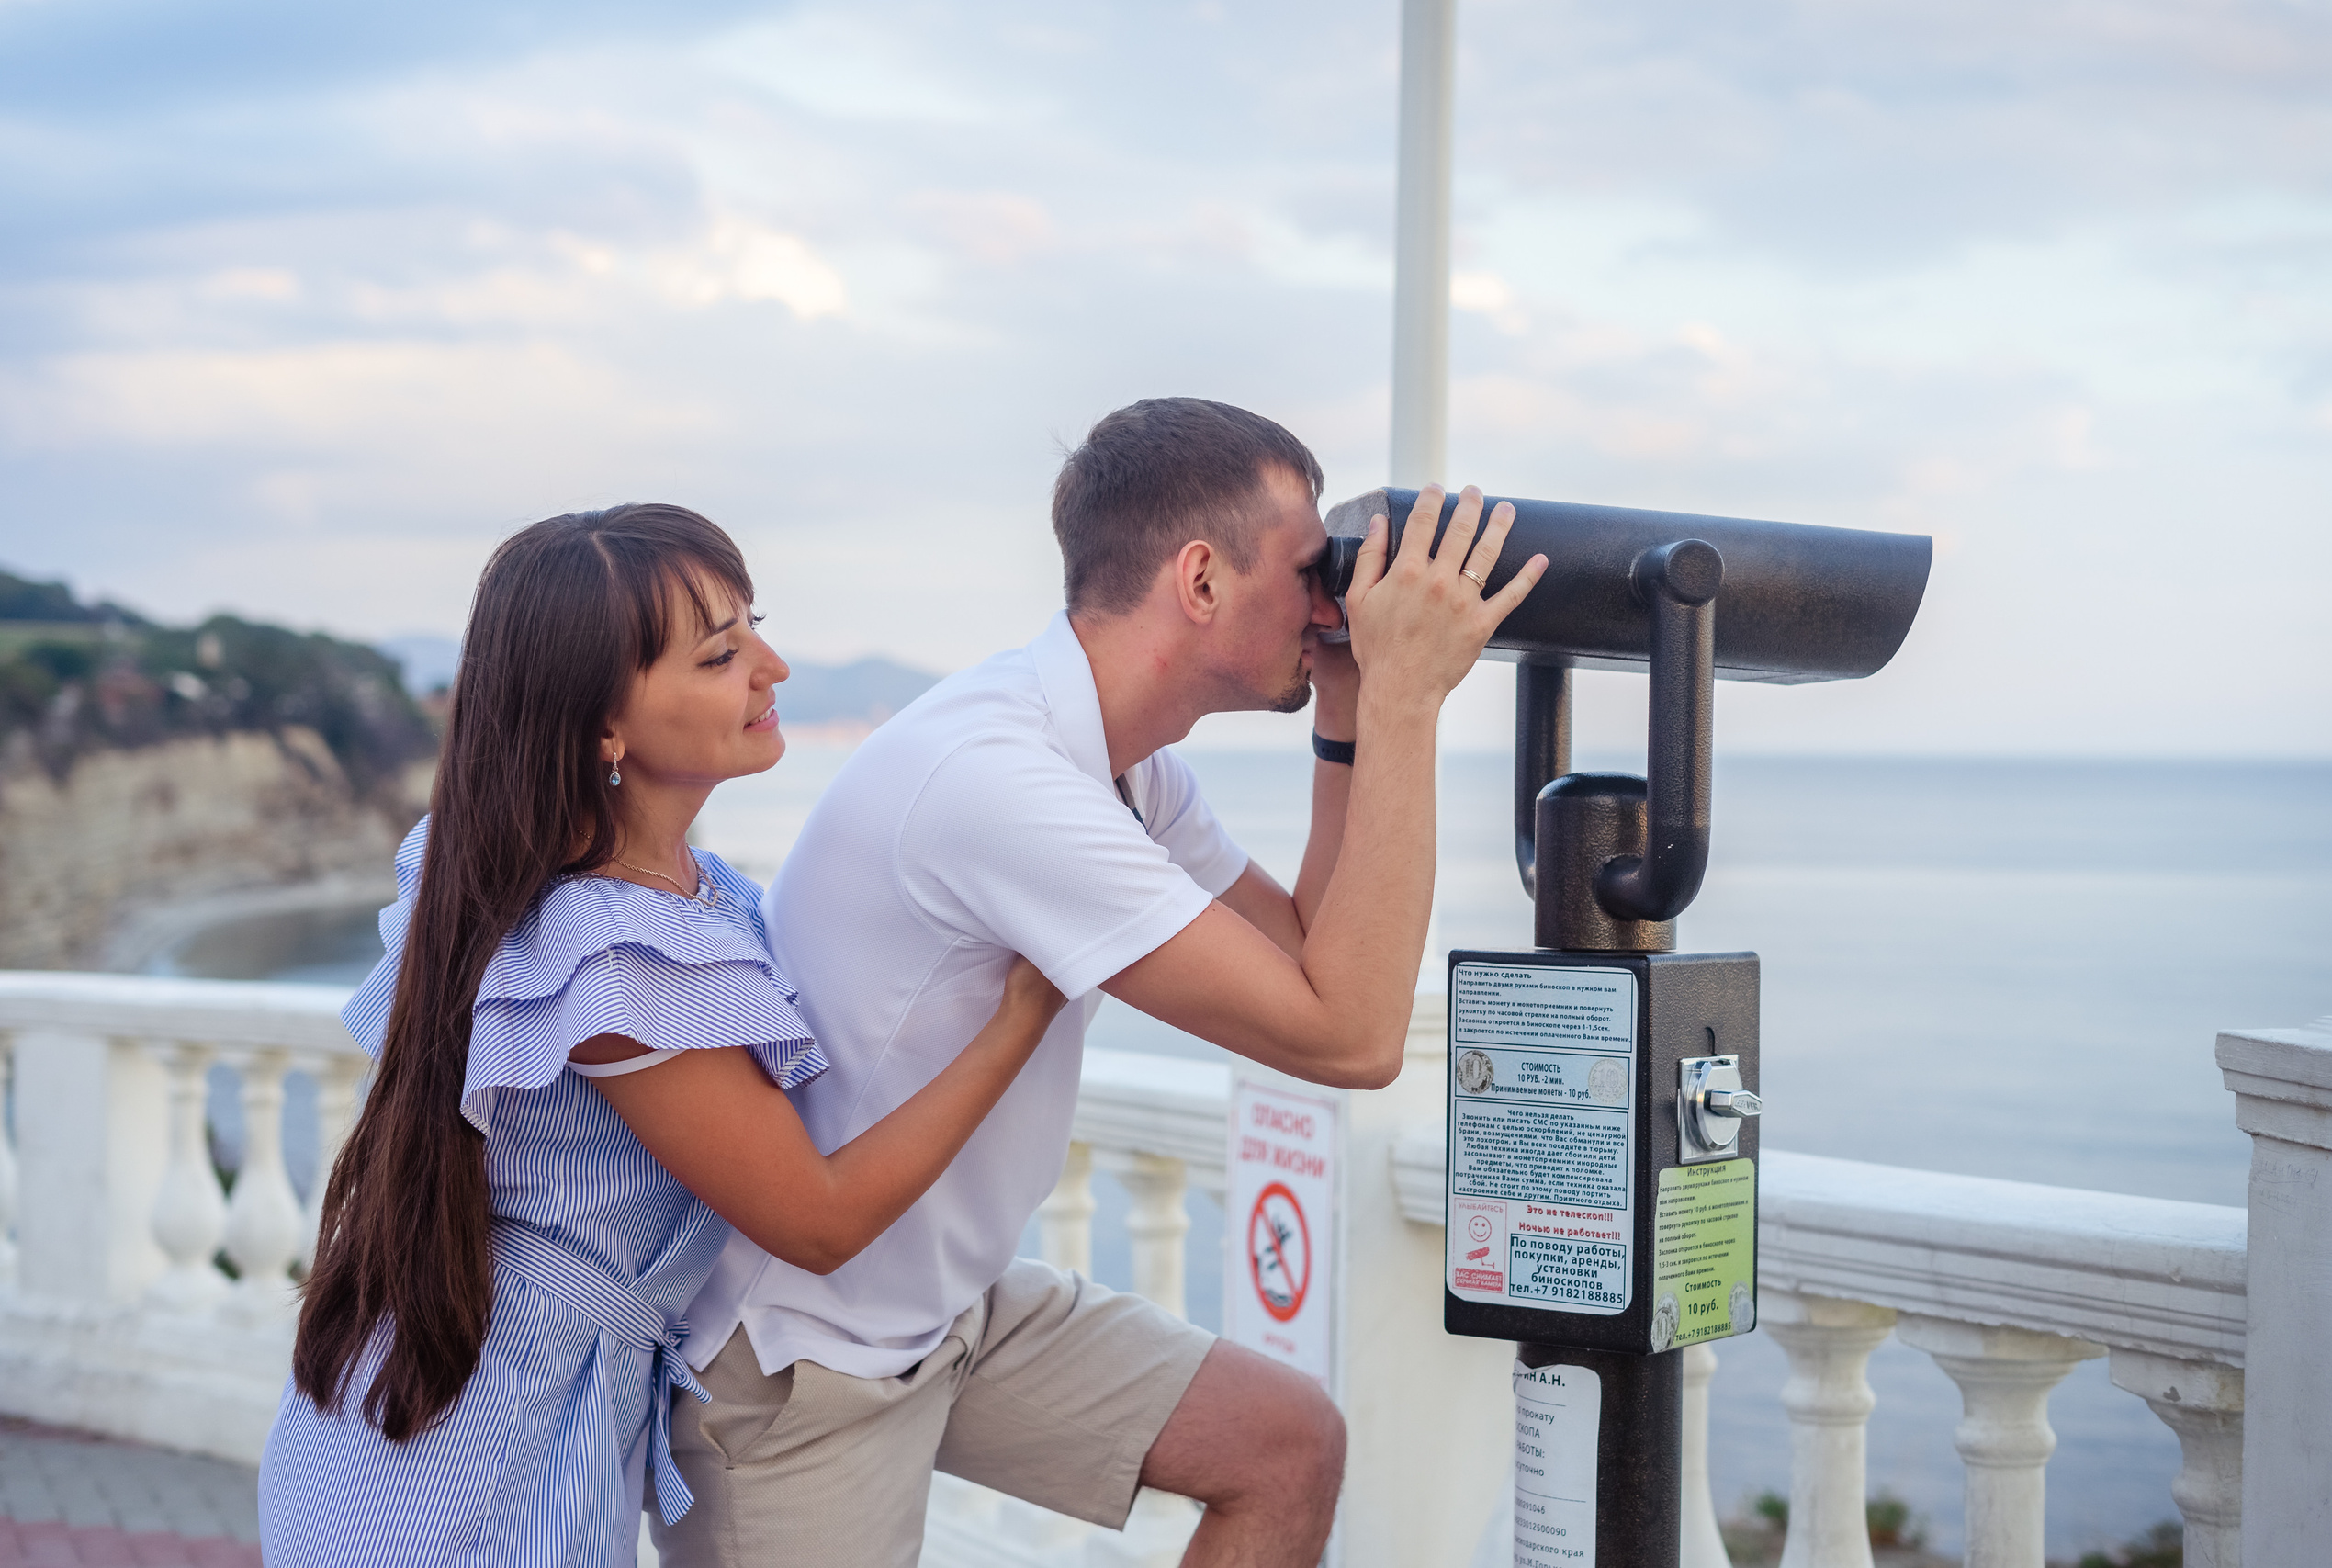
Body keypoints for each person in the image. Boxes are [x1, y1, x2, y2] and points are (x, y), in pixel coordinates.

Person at [661, 399, 1545, 1568]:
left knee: (1283, 1451)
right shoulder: (1003, 783)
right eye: (1305, 570)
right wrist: (1411, 702)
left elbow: (1308, 957)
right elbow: (1354, 1037)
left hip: (946, 1312)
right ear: (1200, 579)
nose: (1332, 605)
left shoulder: (1124, 768)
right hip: (800, 1361)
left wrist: (1350, 712)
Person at [259, 504, 1069, 1568]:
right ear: (606, 729)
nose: (772, 668)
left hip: (443, 1399)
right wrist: (1021, 1017)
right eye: (721, 654)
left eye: (754, 629)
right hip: (491, 1441)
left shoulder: (605, 887)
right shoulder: (613, 953)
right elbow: (817, 1221)